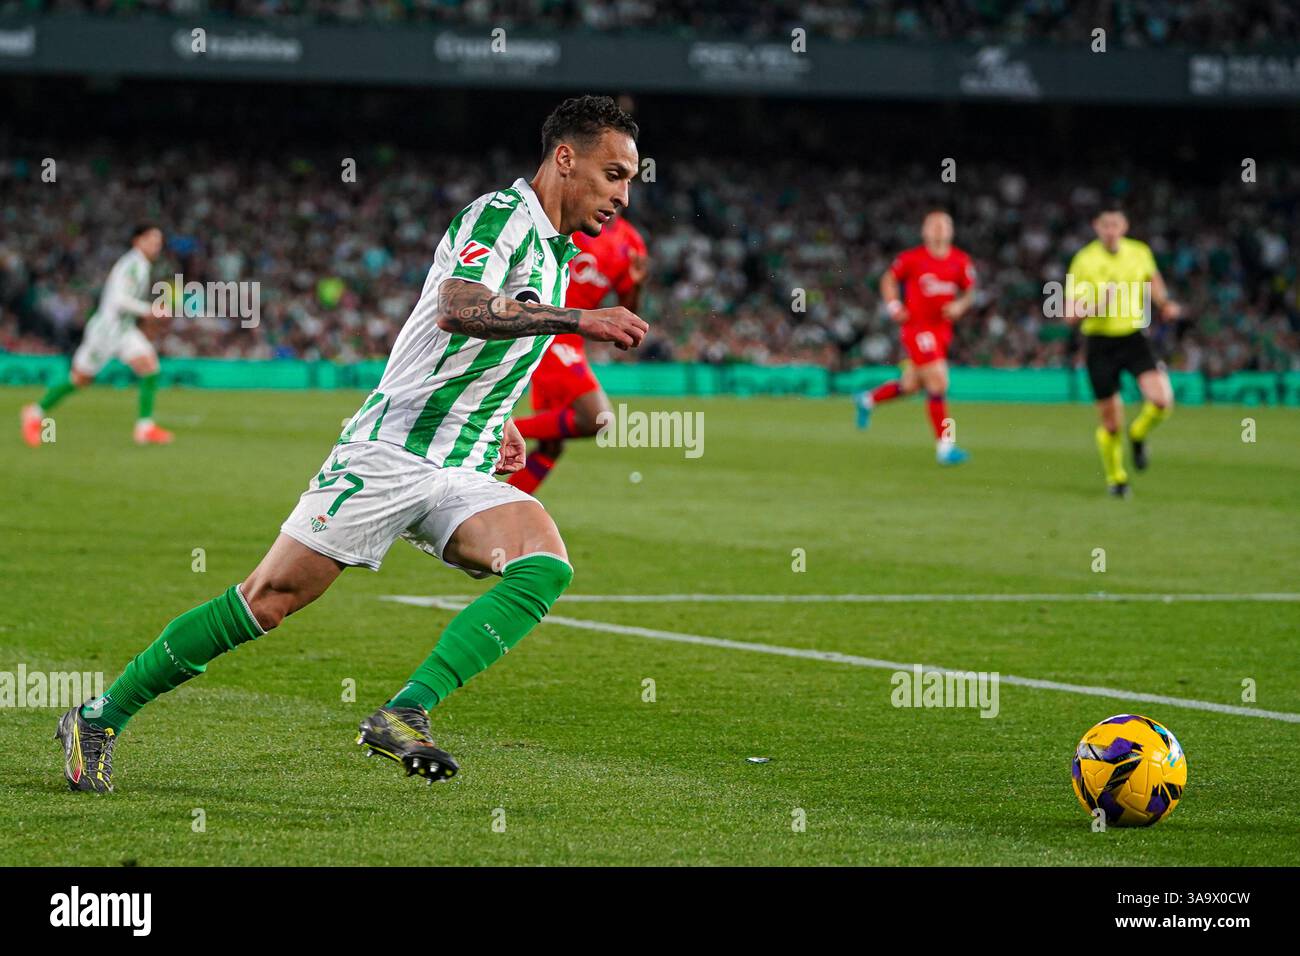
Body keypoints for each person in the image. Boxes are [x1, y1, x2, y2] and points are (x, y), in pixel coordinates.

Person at [54, 95, 649, 792]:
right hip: (388, 453)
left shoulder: (555, 250)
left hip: (460, 462)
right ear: (566, 158)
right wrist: (582, 318)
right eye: (614, 175)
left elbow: (485, 340)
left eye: (630, 180)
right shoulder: (500, 218)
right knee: (267, 601)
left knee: (543, 562)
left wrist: (501, 418)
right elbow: (459, 308)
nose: (624, 196)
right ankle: (98, 715)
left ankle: (405, 711)